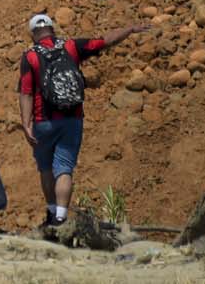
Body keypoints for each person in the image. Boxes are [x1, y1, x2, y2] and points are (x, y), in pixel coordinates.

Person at [19, 13, 150, 230]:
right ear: (52, 28)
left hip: (44, 121)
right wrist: (129, 29)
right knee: (64, 168)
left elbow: (26, 91)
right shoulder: (71, 46)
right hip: (72, 119)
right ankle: (61, 217)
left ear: (33, 34)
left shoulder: (30, 56)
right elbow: (105, 41)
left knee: (45, 168)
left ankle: (51, 215)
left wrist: (26, 123)